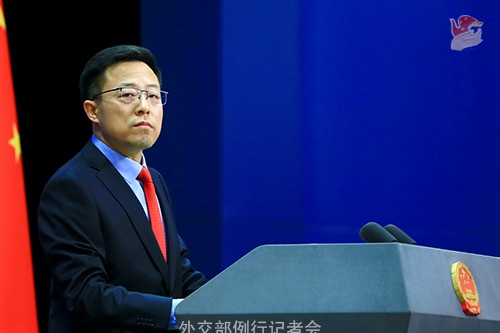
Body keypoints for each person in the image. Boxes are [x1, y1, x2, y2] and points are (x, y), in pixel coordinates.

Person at [37, 45, 208, 333]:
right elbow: (85, 294)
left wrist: (232, 303)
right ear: (92, 111)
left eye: (153, 96)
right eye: (127, 94)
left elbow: (177, 272)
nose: (144, 106)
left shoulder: (153, 180)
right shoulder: (72, 185)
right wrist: (178, 312)